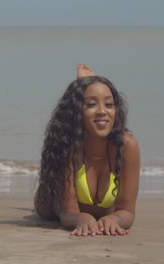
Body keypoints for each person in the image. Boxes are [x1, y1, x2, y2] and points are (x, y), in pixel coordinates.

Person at [34, 64, 140, 236]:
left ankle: (85, 85)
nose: (103, 112)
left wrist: (116, 219)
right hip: (53, 204)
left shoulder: (127, 145)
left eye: (109, 104)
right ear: (76, 111)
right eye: (91, 105)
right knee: (44, 209)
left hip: (101, 211)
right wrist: (79, 218)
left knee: (90, 91)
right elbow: (67, 211)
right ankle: (83, 86)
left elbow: (127, 211)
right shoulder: (68, 145)